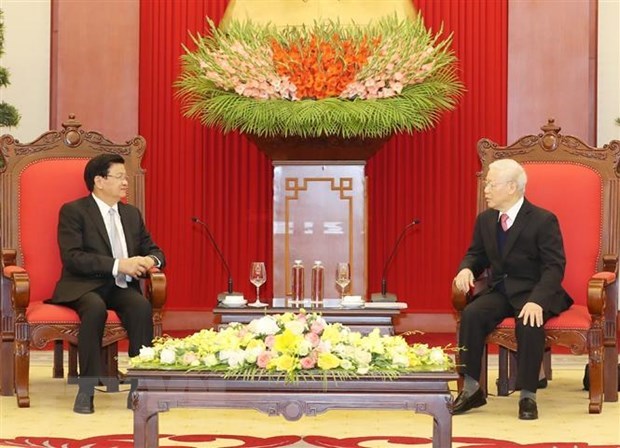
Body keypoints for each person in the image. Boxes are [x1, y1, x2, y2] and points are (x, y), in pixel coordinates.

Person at [452, 158, 572, 420]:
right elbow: (476, 254)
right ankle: (472, 389)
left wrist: (538, 300)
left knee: (528, 321)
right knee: (472, 314)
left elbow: (554, 267)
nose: (485, 189)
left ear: (511, 187)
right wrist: (466, 268)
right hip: (502, 291)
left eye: (491, 184)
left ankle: (528, 395)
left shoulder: (542, 220)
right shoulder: (485, 220)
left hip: (536, 291)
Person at [47, 153, 165, 414]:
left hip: (120, 287)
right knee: (95, 308)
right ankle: (86, 390)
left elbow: (156, 251)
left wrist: (148, 259)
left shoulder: (131, 214)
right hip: (83, 285)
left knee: (141, 308)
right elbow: (73, 257)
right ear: (99, 181)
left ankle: (139, 388)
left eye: (126, 177)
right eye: (119, 176)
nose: (125, 182)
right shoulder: (74, 211)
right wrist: (119, 264)